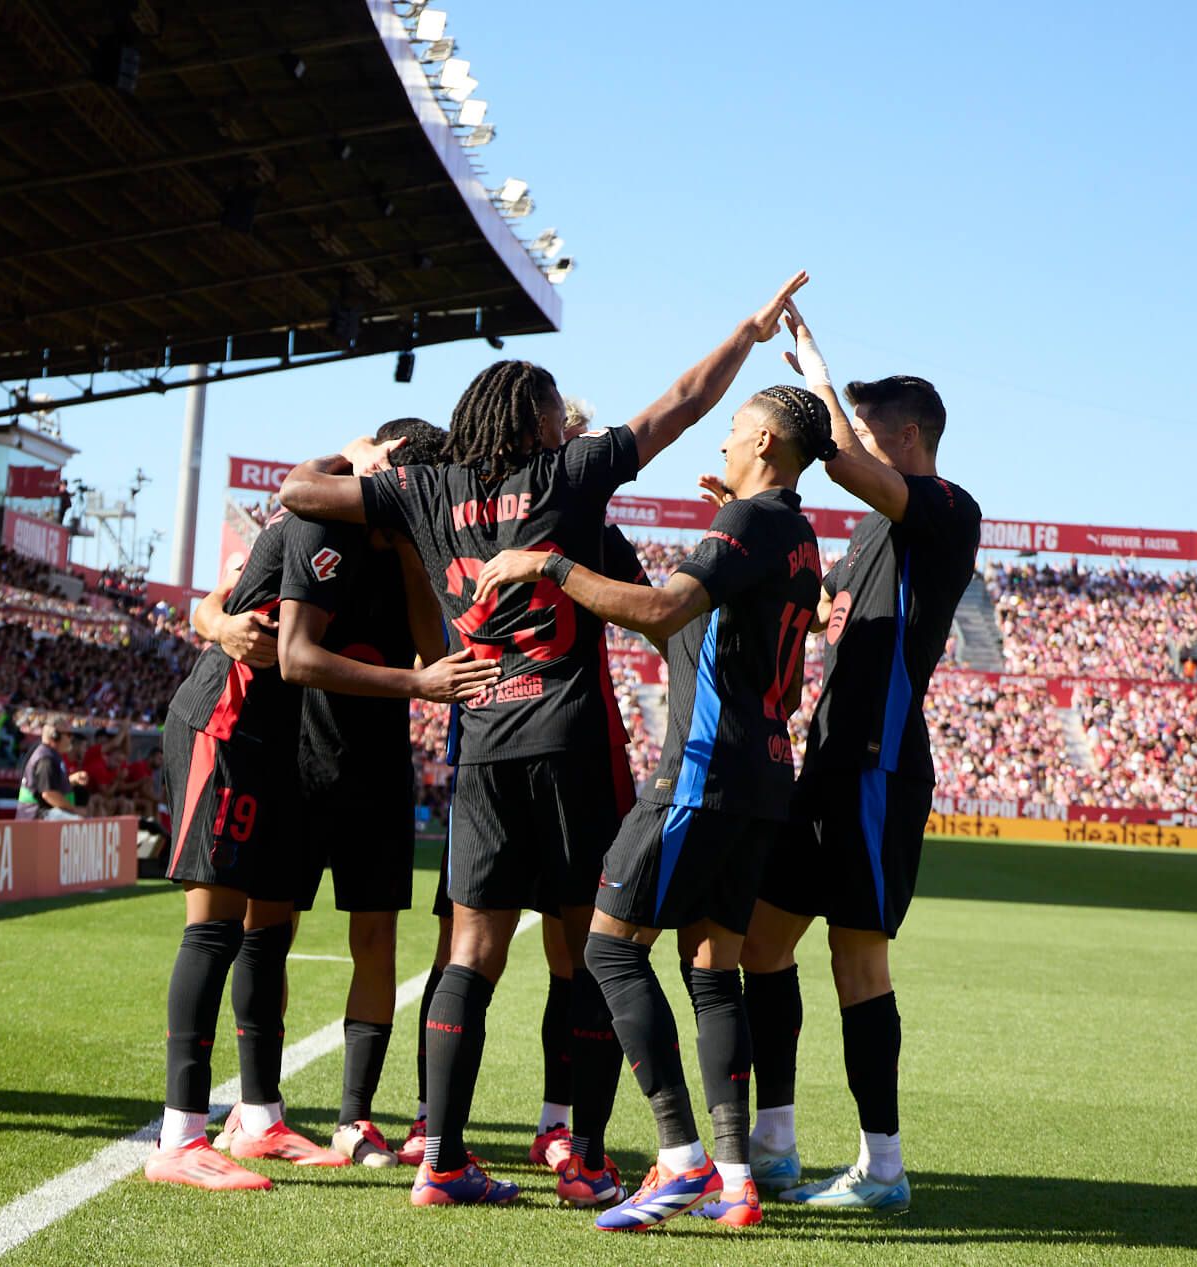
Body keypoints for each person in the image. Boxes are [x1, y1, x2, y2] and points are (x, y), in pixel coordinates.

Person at [278, 269, 809, 1209]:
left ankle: (439, 1159)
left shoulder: (420, 487)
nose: (569, 425)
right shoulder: (569, 475)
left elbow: (298, 489)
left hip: (478, 738)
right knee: (586, 948)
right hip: (568, 741)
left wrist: (355, 453)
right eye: (559, 413)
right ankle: (592, 1157)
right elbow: (681, 405)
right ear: (534, 424)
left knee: (470, 950)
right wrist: (747, 333)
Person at [473, 382, 830, 1231]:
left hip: (702, 773)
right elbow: (682, 628)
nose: (722, 446)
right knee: (713, 972)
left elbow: (664, 609)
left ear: (768, 442)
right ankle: (736, 1180)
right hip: (763, 777)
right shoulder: (798, 533)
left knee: (609, 948)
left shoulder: (749, 524)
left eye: (735, 432)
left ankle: (680, 1158)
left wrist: (551, 564)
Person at [145, 434, 497, 1194]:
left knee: (261, 934)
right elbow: (295, 654)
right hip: (226, 722)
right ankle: (179, 1136)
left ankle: (259, 1115)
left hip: (267, 741)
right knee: (212, 930)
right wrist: (421, 684)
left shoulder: (366, 536)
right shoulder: (320, 521)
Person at [740, 300, 981, 1215]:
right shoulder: (871, 532)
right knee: (764, 943)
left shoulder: (949, 513)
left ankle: (883, 1166)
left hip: (880, 766)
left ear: (910, 436)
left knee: (857, 958)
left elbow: (839, 458)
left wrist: (814, 373)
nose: (856, 443)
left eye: (874, 429)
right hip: (827, 763)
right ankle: (775, 1140)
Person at [272, 419, 503, 1167]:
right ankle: (257, 1106)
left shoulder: (418, 547)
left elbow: (438, 655)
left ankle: (353, 1116)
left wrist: (411, 553)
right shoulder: (318, 525)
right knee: (266, 934)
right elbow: (293, 656)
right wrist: (351, 456)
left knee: (375, 941)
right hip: (298, 765)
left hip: (378, 772)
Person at [404, 520, 649, 1173]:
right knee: (576, 954)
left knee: (487, 954)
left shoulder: (456, 513)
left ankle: (470, 1142)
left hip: (485, 759)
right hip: (569, 757)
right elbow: (657, 613)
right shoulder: (585, 529)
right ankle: (573, 1154)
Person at [14, 722, 86, 819]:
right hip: (36, 817)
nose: (71, 739)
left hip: (42, 814)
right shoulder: (45, 760)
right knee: (80, 824)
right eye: (68, 735)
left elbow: (49, 785)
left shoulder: (51, 754)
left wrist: (71, 780)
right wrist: (74, 810)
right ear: (55, 736)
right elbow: (49, 794)